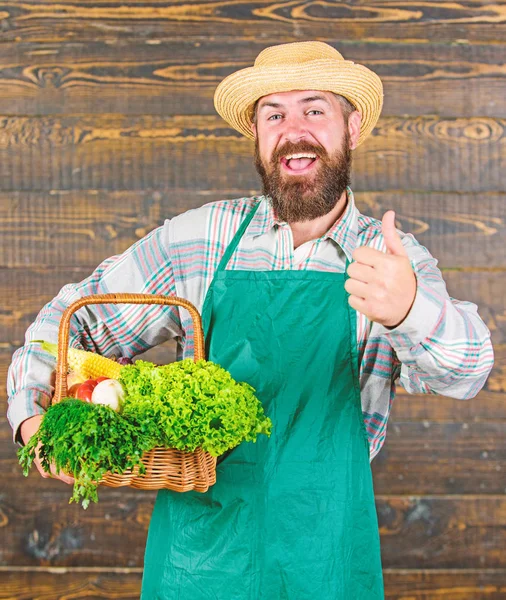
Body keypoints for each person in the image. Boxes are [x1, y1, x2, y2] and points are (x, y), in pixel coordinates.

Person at [7, 41, 494, 599]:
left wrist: (411, 310)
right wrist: (31, 417)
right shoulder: (201, 240)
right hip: (198, 561)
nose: (294, 129)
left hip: (326, 557)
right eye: (274, 114)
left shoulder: (388, 260)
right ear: (259, 135)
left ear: (351, 127)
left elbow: (471, 369)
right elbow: (71, 320)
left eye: (314, 110)